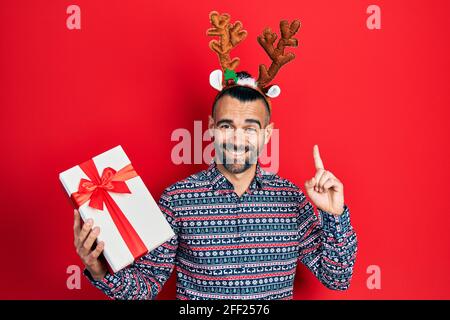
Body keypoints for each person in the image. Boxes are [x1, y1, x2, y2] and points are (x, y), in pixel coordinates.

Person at [72, 11, 358, 300]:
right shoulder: (177, 200)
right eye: (226, 126)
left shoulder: (292, 200)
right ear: (210, 128)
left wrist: (334, 215)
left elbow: (337, 277)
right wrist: (99, 268)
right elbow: (144, 287)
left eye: (250, 128)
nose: (236, 138)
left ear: (266, 134)